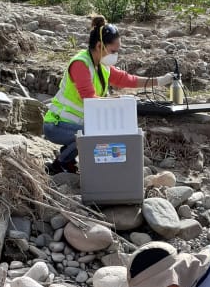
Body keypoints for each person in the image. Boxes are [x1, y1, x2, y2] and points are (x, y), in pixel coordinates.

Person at [43, 14, 174, 174]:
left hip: (73, 125)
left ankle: (69, 157)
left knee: (94, 132)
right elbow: (89, 99)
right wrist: (115, 101)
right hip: (56, 125)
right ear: (100, 46)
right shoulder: (81, 64)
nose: (115, 55)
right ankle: (59, 164)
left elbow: (127, 80)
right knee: (90, 134)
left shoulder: (102, 66)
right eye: (113, 50)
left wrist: (159, 81)